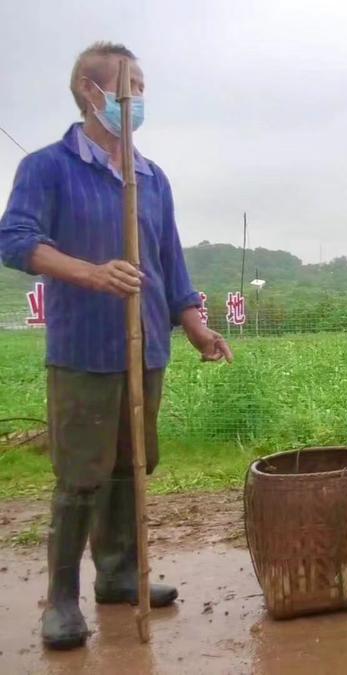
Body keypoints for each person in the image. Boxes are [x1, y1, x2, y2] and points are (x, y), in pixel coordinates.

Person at [0, 42, 233, 651]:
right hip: (85, 349)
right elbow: (16, 241)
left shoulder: (151, 178)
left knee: (133, 467)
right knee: (81, 475)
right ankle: (59, 602)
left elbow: (170, 266)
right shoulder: (48, 168)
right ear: (89, 91)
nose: (138, 101)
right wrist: (92, 273)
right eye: (129, 89)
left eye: (142, 89)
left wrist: (196, 325)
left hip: (148, 346)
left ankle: (120, 575)